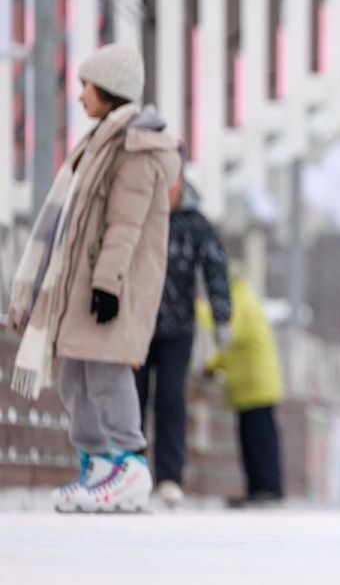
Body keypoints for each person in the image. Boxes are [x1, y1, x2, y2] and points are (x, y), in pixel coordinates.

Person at [7, 43, 180, 513]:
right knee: (74, 377)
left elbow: (125, 224)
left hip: (106, 286)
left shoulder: (136, 148)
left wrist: (107, 284)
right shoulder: (98, 142)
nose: (80, 94)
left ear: (109, 90)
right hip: (78, 284)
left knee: (105, 373)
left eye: (87, 85)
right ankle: (100, 464)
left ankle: (130, 463)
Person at [134, 174, 232, 507]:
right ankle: (132, 470)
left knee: (170, 399)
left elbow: (216, 267)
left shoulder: (195, 224)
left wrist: (222, 317)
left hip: (178, 328)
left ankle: (169, 477)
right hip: (139, 324)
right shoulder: (139, 214)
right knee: (133, 396)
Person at [199, 267, 285, 507]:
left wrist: (195, 308)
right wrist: (214, 364)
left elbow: (229, 330)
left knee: (260, 440)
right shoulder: (243, 296)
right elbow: (229, 347)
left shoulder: (241, 299)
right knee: (252, 440)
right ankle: (258, 489)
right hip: (251, 386)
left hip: (255, 385)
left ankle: (267, 488)